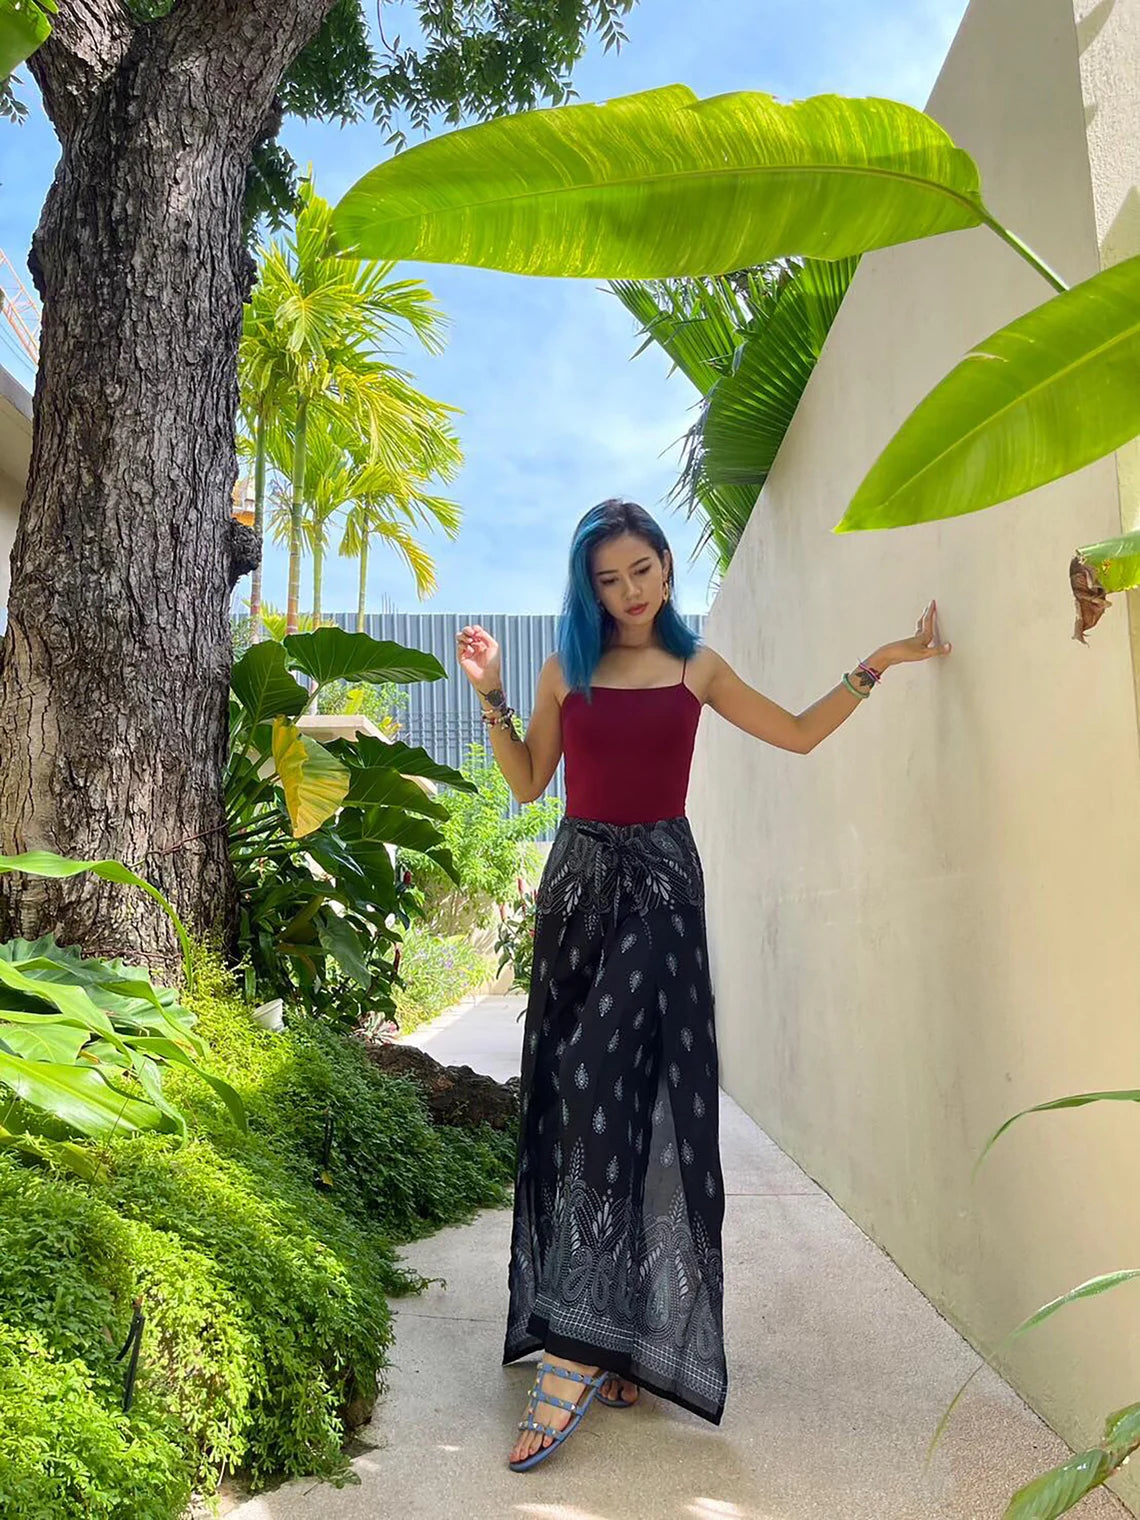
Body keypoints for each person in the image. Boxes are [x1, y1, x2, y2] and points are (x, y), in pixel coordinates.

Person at [454, 498, 951, 1473]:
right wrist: (492, 692)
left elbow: (802, 732)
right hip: (580, 888)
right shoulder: (567, 670)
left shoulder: (699, 667)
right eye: (610, 577)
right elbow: (525, 783)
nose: (630, 590)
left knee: (608, 1082)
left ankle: (575, 1348)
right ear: (588, 588)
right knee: (584, 1103)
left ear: (669, 569)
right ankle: (618, 1328)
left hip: (662, 892)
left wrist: (882, 660)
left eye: (643, 569)